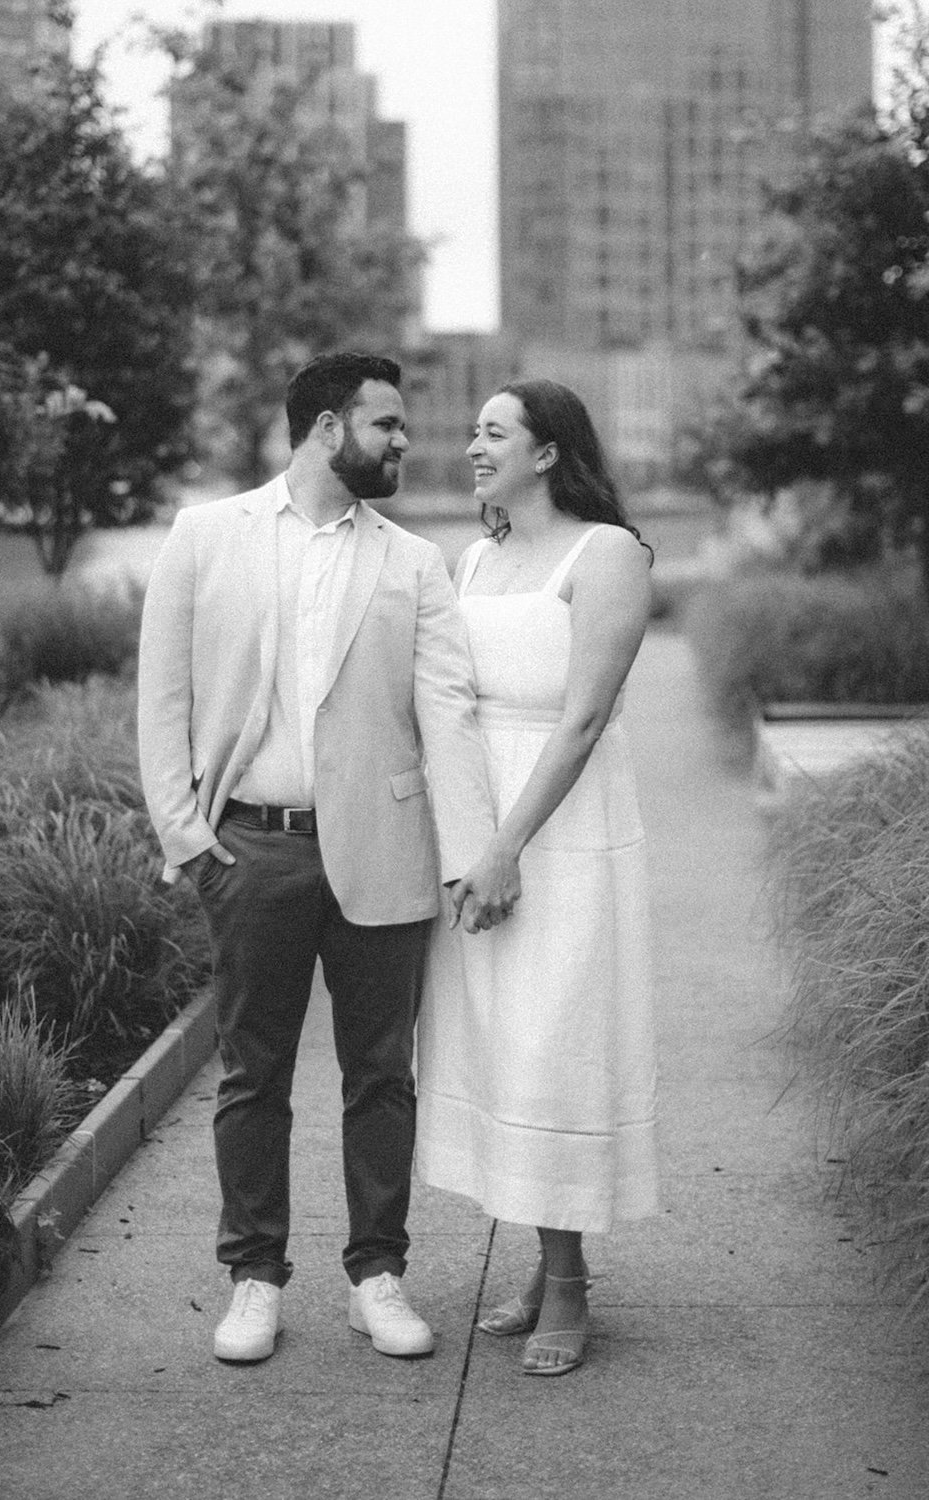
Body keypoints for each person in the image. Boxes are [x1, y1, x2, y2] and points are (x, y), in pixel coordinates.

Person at [137, 351, 495, 1366]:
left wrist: (467, 853)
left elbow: (448, 717)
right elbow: (162, 701)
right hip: (251, 850)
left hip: (386, 847)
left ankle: (376, 1276)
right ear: (329, 427)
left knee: (381, 1076)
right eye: (386, 424)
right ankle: (254, 1279)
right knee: (253, 1073)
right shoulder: (206, 537)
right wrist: (192, 843)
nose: (403, 442)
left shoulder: (413, 562)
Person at [416, 378, 659, 1377]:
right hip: (482, 830)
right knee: (501, 1048)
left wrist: (509, 844)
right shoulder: (474, 556)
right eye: (472, 430)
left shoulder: (609, 553)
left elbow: (585, 718)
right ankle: (538, 1262)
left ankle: (569, 1286)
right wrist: (465, 843)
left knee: (556, 1043)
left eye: (494, 432)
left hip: (562, 829)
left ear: (548, 451)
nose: (474, 445)